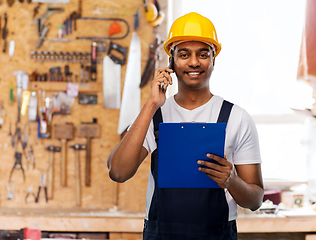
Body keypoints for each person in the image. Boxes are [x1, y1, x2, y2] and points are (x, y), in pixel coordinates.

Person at [107, 12, 264, 239]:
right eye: (184, 54)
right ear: (171, 61)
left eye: (203, 54)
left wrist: (232, 181)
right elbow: (118, 172)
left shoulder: (237, 118)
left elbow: (255, 200)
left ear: (213, 60)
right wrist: (151, 104)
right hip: (161, 233)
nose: (193, 62)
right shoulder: (155, 115)